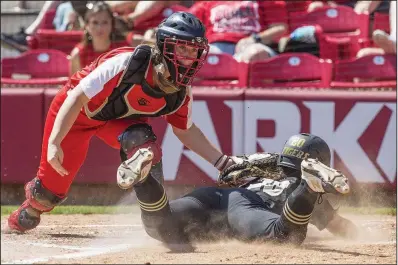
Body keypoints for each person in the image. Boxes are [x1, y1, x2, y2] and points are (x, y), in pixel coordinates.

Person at [5, 12, 238, 240]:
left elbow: (184, 129)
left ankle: (157, 220)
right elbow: (75, 98)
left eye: (194, 50)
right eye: (182, 48)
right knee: (46, 197)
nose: (188, 57)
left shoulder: (181, 90)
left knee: (144, 145)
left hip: (119, 123)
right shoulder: (127, 63)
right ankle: (28, 209)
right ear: (164, 46)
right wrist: (55, 141)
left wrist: (223, 163)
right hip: (78, 114)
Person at [133, 133, 353, 250]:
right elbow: (342, 228)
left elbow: (227, 173)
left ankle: (144, 181)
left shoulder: (261, 167)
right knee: (285, 238)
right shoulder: (294, 188)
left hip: (213, 196)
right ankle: (309, 187)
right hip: (247, 207)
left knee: (161, 226)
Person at [189, 1, 288, 63]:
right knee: (197, 57)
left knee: (256, 53)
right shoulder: (207, 3)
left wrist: (254, 39)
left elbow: (280, 28)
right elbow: (186, 24)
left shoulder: (268, 2)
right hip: (215, 46)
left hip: (253, 44)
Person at [69, 2, 128, 75]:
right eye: (95, 22)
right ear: (87, 26)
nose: (100, 28)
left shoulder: (123, 51)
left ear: (112, 25)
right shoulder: (77, 55)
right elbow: (73, 85)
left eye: (105, 22)